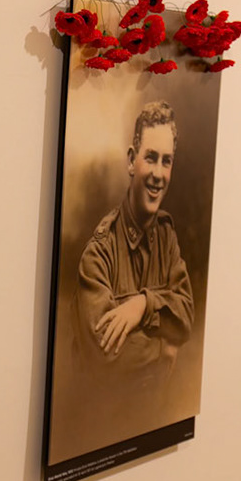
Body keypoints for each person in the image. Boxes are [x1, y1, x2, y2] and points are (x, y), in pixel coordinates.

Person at [77, 102, 195, 372]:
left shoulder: (167, 238)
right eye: (151, 157)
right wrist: (165, 348)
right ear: (131, 160)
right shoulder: (99, 252)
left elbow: (187, 316)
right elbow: (103, 352)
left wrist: (142, 305)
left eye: (166, 161)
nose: (158, 174)